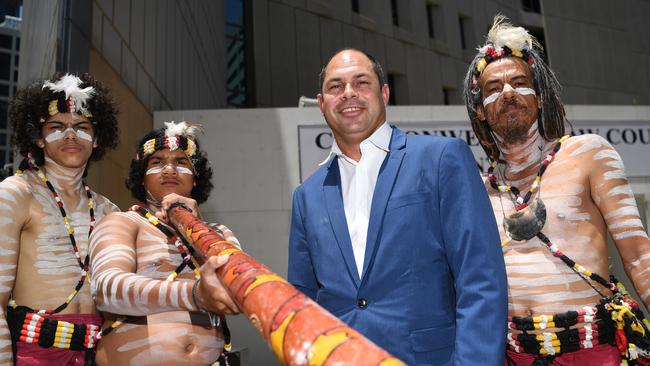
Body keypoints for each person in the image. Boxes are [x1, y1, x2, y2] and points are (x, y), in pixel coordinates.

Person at [287, 48, 508, 365]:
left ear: (384, 93)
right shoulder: (306, 195)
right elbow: (301, 302)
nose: (349, 93)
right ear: (321, 104)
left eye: (362, 82)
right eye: (335, 87)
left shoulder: (441, 158)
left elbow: (481, 280)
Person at [462, 16, 650, 365]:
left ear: (540, 97)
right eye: (493, 88)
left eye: (520, 83)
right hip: (512, 355)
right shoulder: (477, 190)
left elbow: (640, 256)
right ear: (480, 111)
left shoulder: (588, 154)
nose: (508, 93)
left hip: (594, 351)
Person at [89, 121, 241, 365]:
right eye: (157, 162)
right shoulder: (122, 223)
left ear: (195, 178)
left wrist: (196, 226)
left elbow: (239, 288)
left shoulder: (219, 233)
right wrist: (194, 295)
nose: (169, 170)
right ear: (141, 178)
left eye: (181, 162)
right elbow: (106, 289)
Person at [0, 73, 119, 365]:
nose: (70, 135)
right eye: (56, 126)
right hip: (34, 354)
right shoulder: (15, 194)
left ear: (97, 138)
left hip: (100, 354)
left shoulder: (110, 211)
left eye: (82, 127)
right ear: (39, 138)